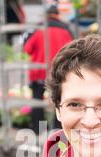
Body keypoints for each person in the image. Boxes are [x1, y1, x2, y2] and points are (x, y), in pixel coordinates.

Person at [23, 4, 74, 135]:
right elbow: (73, 51)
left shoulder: (38, 29)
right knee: (60, 102)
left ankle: (37, 130)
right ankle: (58, 131)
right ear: (57, 15)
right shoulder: (66, 29)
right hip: (59, 73)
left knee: (37, 101)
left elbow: (27, 49)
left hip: (38, 72)